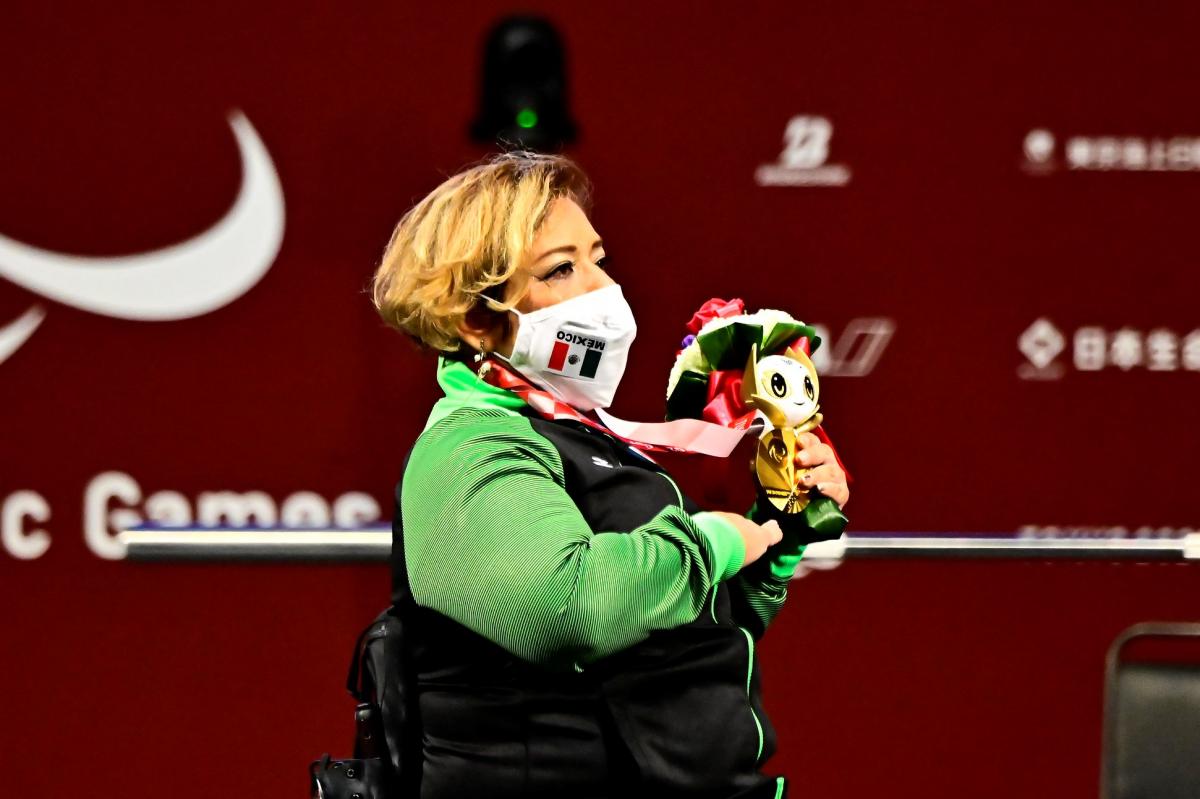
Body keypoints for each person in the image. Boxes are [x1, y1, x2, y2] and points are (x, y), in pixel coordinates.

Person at [371, 151, 849, 799]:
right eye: (562, 268)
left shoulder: (584, 433)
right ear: (475, 319)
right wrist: (714, 540)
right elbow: (570, 610)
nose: (603, 288)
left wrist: (781, 529)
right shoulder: (472, 442)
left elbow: (675, 636)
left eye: (598, 257)